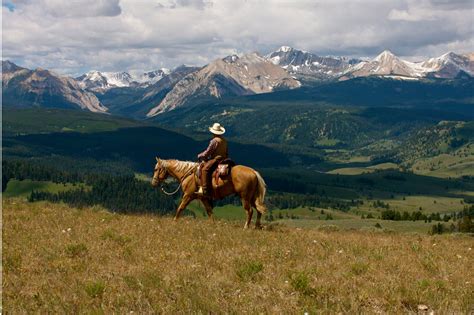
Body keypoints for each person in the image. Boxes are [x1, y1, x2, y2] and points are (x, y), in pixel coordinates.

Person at [196, 122, 228, 197]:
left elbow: (208, 152)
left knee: (204, 170)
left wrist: (200, 155)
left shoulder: (214, 141)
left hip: (216, 159)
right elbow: (226, 151)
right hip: (225, 159)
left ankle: (205, 189)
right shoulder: (224, 140)